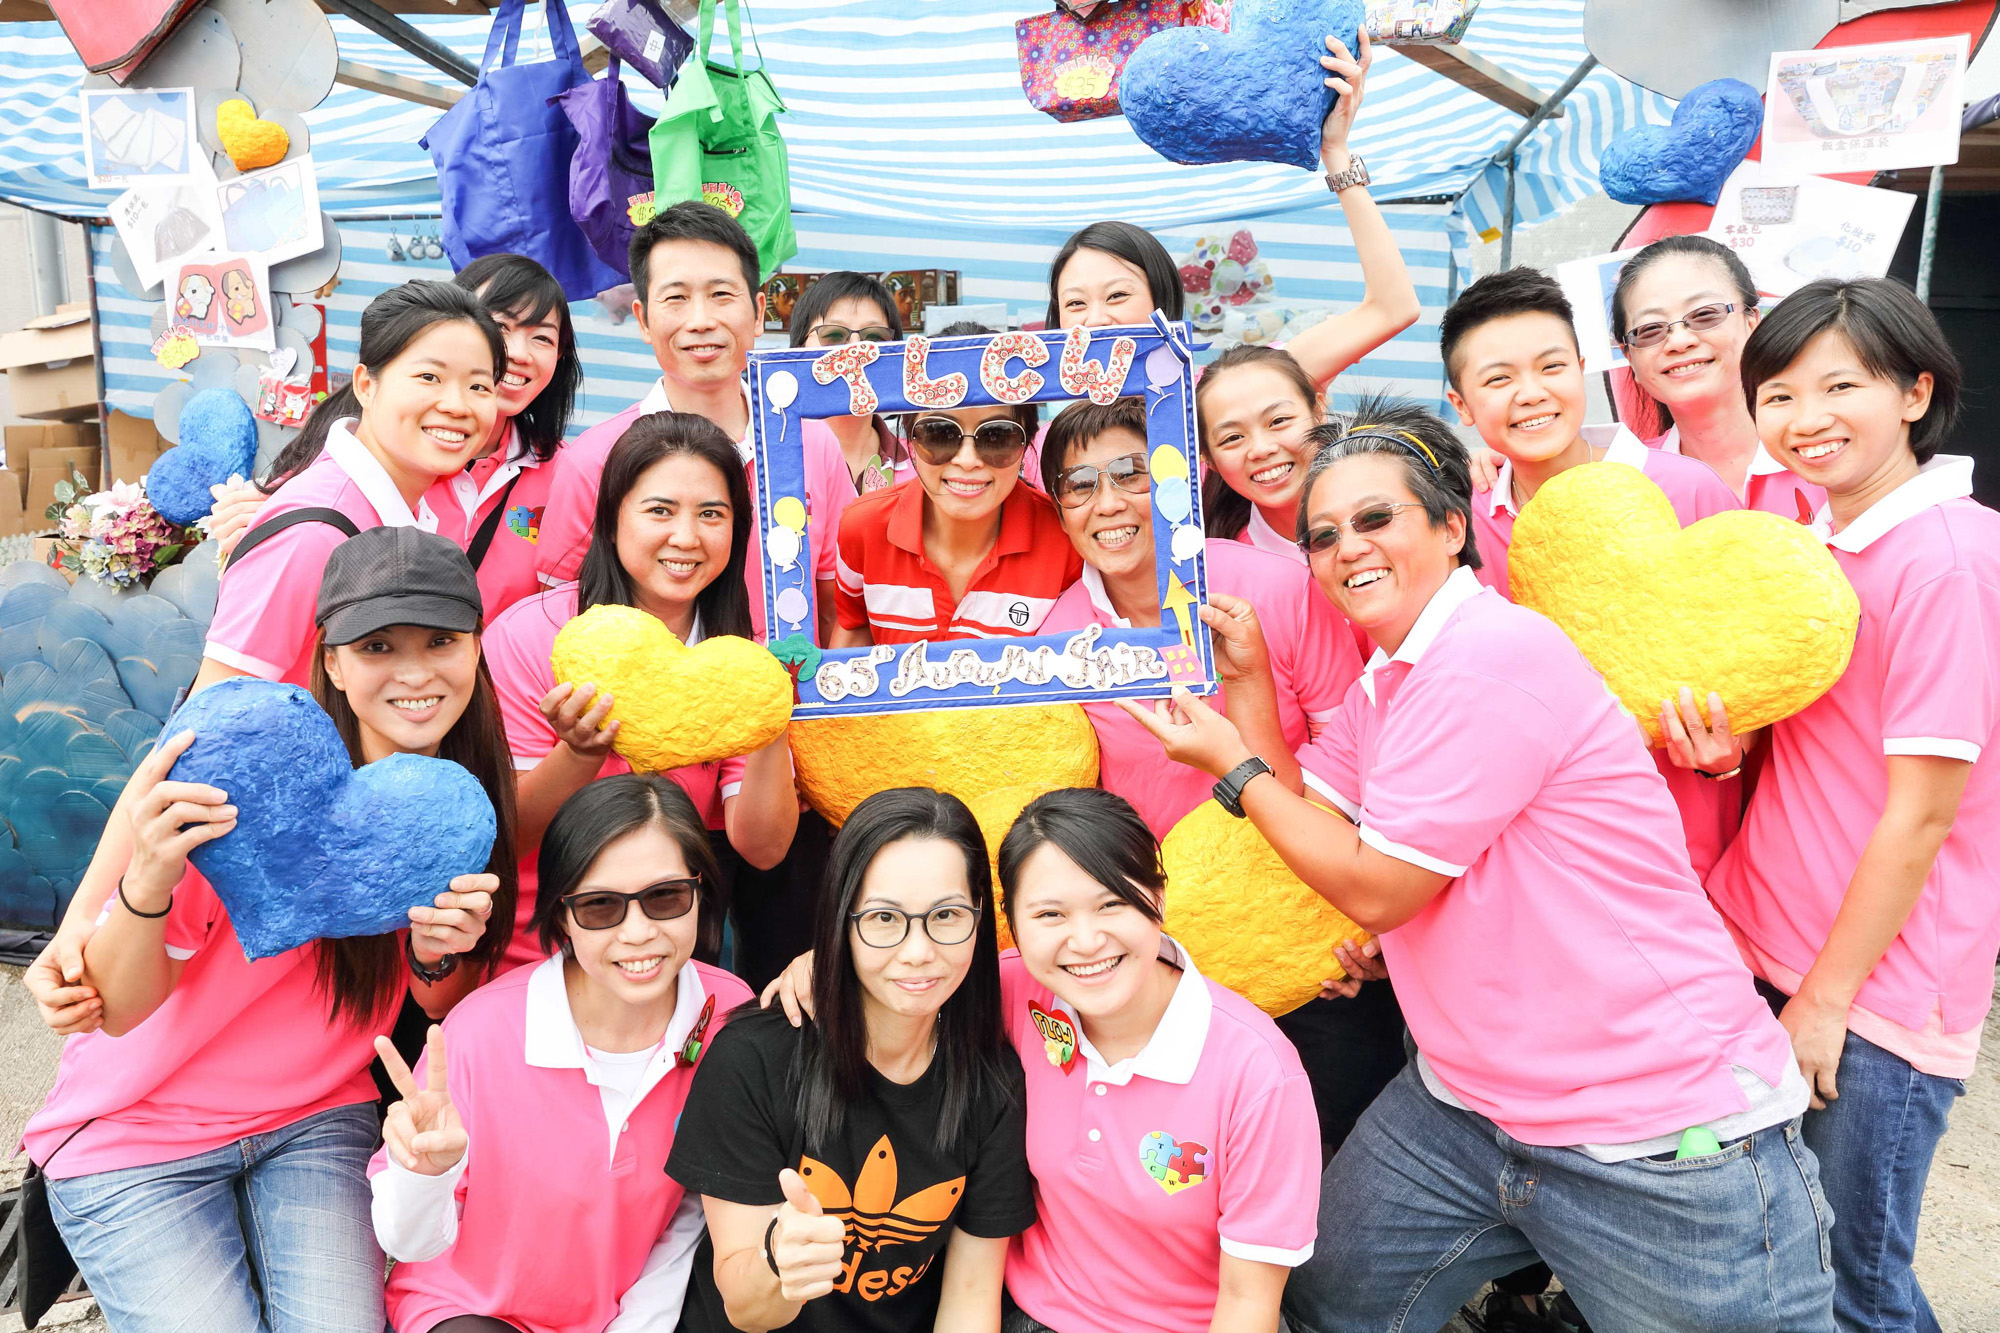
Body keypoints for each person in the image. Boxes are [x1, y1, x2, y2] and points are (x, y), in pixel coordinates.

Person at [1118, 420, 1834, 1333]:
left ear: (1452, 527)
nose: (1348, 548)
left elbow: (1373, 885)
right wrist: (1250, 680)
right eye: (1324, 535)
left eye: (1376, 517)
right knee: (1329, 1295)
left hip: (1656, 1134)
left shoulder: (1492, 658)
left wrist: (1238, 767)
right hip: (1462, 1104)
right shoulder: (1392, 679)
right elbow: (1305, 820)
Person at [20, 527, 514, 1333]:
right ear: (333, 662)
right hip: (141, 1133)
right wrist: (147, 877)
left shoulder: (450, 805)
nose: (416, 670)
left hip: (316, 1116)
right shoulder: (249, 773)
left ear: (475, 649)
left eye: (442, 641)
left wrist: (437, 950)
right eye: (379, 645)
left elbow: (437, 992)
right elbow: (116, 1009)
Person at [26, 283, 508, 1038]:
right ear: (368, 381)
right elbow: (195, 737)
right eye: (431, 376)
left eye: (479, 385)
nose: (458, 403)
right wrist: (86, 919)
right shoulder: (310, 538)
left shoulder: (429, 501)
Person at [758, 787, 1324, 1333]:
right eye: (1050, 915)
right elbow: (900, 970)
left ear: (1159, 897)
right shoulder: (1010, 992)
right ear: (1010, 921)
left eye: (1112, 903)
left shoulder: (1258, 1072)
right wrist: (818, 966)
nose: (1085, 941)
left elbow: (1250, 1301)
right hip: (1035, 1316)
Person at [1709, 277, 1997, 1333]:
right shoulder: (1816, 536)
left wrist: (1824, 1000)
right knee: (1779, 1256)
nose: (1804, 417)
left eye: (1841, 385)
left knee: (1853, 1284)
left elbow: (1922, 815)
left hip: (1869, 994)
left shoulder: (1947, 561)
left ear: (1915, 391)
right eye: (1777, 394)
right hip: (1774, 945)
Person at [1034, 396, 1397, 1154]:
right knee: (1194, 1156)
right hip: (1171, 943)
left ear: (1177, 480)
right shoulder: (1059, 638)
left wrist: (1363, 925)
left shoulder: (1274, 585)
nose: (1110, 502)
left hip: (1311, 930)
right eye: (1080, 485)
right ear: (1060, 509)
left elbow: (1367, 763)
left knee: (1327, 1149)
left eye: (1132, 473)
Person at [370, 774, 753, 1333]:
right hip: (470, 1312)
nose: (639, 932)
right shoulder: (482, 1030)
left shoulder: (728, 1017)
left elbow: (696, 1210)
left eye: (666, 897)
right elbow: (409, 1243)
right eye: (601, 907)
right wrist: (426, 1174)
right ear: (561, 916)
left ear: (702, 893)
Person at [667, 787, 1035, 1333]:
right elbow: (745, 1309)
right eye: (885, 918)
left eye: (947, 915)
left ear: (980, 919)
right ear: (842, 918)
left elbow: (970, 1298)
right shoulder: (754, 1059)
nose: (918, 950)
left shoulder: (992, 1082)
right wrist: (779, 1262)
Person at [1439, 266, 1746, 883]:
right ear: (1462, 406)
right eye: (1498, 379)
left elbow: (1745, 659)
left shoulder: (1683, 490)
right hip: (1530, 857)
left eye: (1551, 367)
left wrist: (1728, 758)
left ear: (1582, 369)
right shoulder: (1458, 531)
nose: (1530, 393)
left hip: (1677, 849)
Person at [483, 412, 798, 974]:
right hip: (535, 948)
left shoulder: (736, 658)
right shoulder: (530, 638)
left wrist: (772, 721)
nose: (686, 537)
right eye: (659, 511)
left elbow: (764, 848)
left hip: (669, 949)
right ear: (610, 520)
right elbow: (506, 838)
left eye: (711, 514)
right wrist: (578, 754)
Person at [207, 254, 585, 619]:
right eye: (500, 327)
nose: (518, 353)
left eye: (542, 338)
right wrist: (262, 518)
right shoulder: (374, 455)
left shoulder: (570, 474)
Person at [535, 203, 762, 598]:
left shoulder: (811, 446)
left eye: (721, 294)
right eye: (676, 298)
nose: (701, 320)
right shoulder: (592, 461)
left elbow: (835, 610)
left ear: (758, 313)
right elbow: (561, 614)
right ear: (643, 320)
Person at [828, 338, 1081, 645]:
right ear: (910, 440)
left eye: (997, 437)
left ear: (1025, 446)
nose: (968, 460)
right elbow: (855, 627)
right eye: (941, 434)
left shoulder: (1066, 540)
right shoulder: (862, 528)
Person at [1610, 234, 1823, 521]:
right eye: (1650, 329)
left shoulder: (1829, 444)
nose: (1679, 341)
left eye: (1705, 315)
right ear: (1629, 358)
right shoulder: (1622, 486)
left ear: (1752, 323)